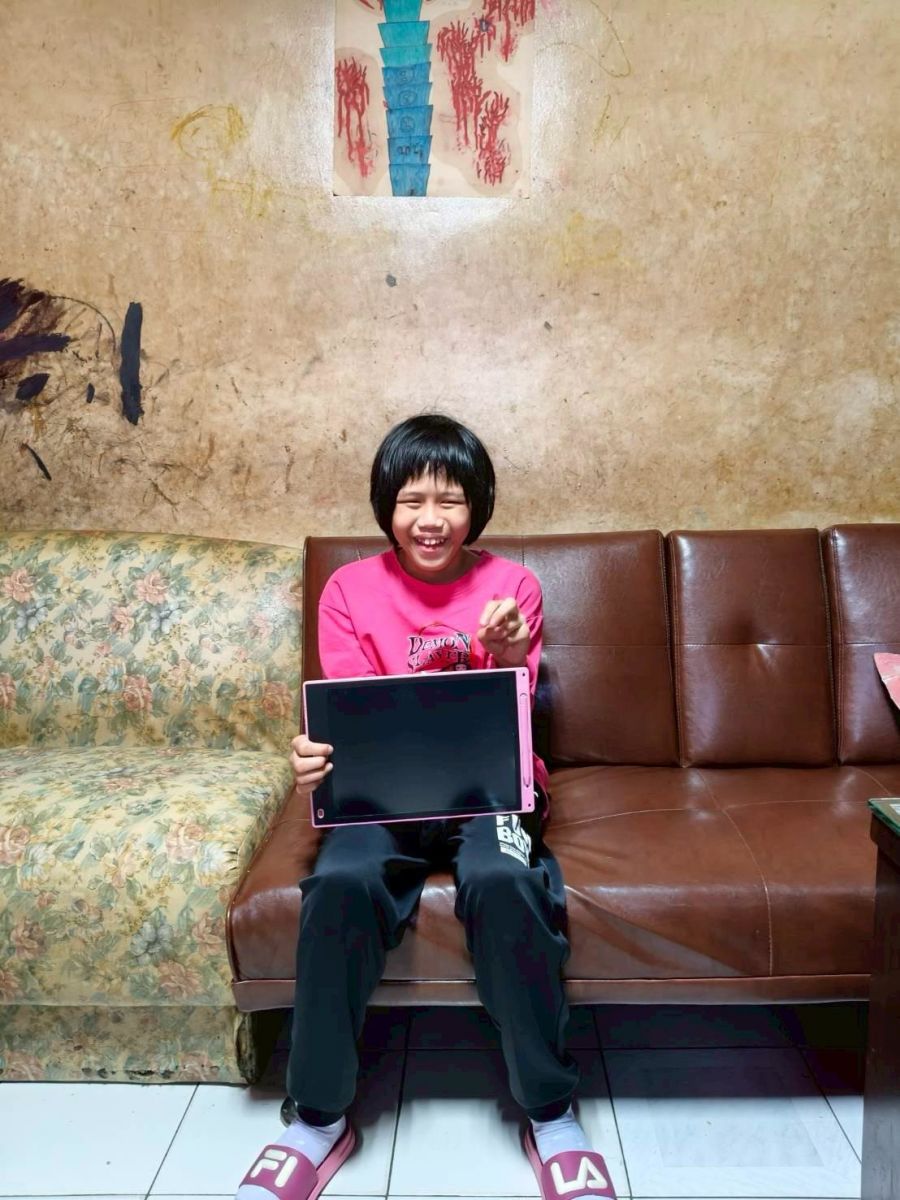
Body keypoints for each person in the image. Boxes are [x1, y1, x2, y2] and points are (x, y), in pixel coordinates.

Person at [237, 415, 616, 1200]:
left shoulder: (512, 587)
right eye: (413, 501)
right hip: (382, 800)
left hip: (492, 792)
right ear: (388, 506)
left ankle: (550, 1114)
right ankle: (317, 1120)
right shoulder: (349, 590)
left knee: (506, 882)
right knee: (339, 884)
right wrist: (317, 758)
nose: (431, 518)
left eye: (450, 500)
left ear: (477, 506)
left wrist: (508, 650)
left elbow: (514, 700)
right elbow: (350, 714)